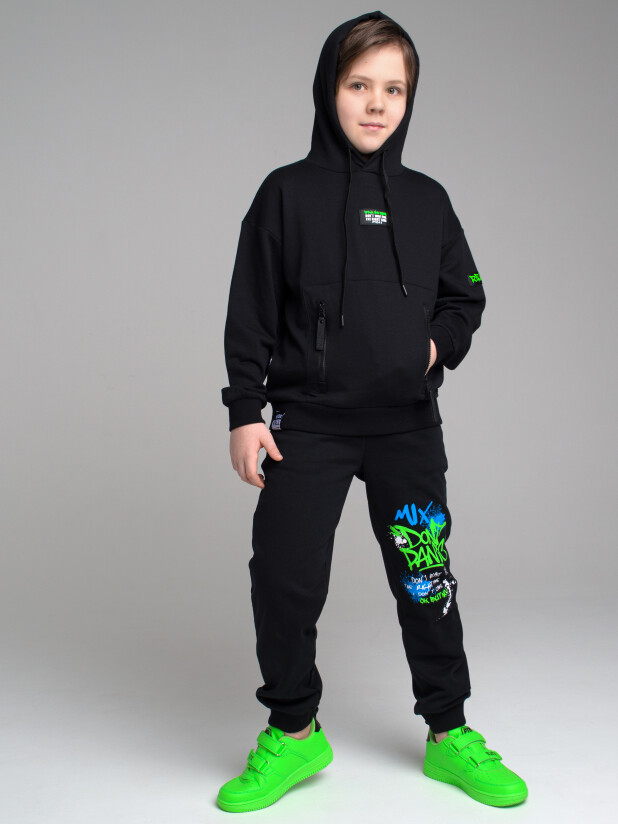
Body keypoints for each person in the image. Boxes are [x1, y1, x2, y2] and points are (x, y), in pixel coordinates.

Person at [217, 10, 527, 812]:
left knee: (426, 577)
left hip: (405, 428)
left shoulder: (427, 200)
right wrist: (245, 410)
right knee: (282, 579)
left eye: (394, 89)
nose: (377, 103)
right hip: (307, 426)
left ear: (410, 100)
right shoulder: (285, 195)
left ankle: (449, 733)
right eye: (360, 85)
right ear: (330, 88)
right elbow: (250, 312)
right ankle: (294, 732)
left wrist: (430, 350)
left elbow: (466, 297)